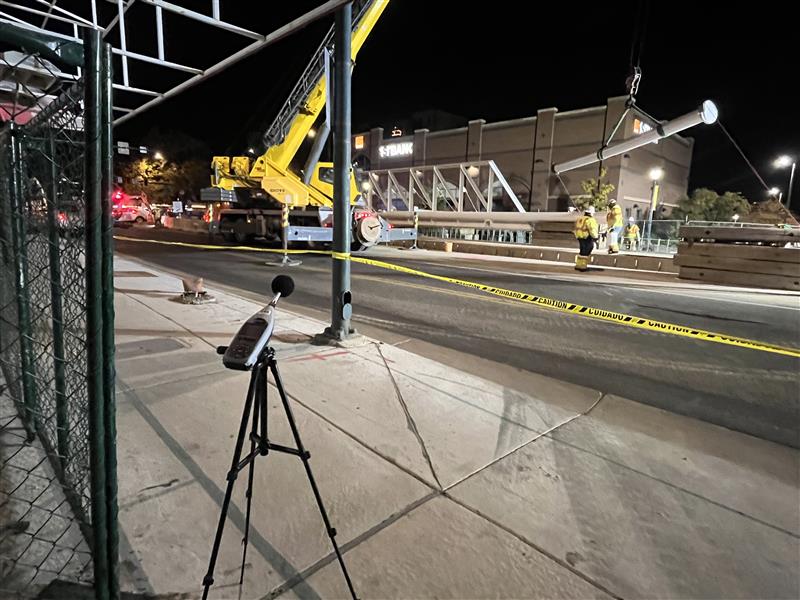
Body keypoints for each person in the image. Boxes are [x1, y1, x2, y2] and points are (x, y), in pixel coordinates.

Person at [573, 205, 599, 272]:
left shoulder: (580, 219)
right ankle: (583, 266)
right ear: (591, 213)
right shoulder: (590, 220)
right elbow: (592, 229)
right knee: (587, 250)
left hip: (579, 237)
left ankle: (578, 265)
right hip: (587, 237)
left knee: (582, 251)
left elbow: (576, 228)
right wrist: (595, 237)